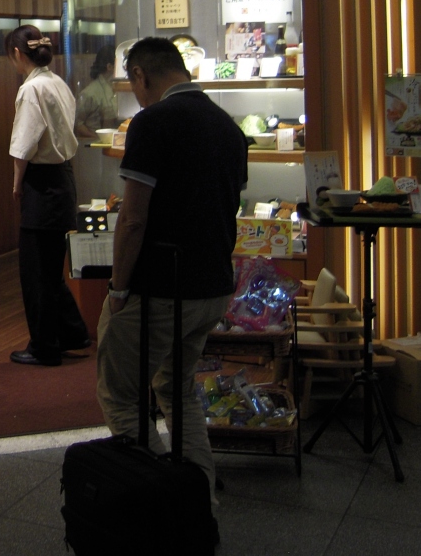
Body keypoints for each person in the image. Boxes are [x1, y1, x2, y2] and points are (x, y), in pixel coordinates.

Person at [96, 36, 248, 504]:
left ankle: (162, 507)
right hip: (213, 287)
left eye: (133, 84)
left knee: (122, 395)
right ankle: (200, 505)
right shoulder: (227, 127)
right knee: (177, 391)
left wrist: (118, 289)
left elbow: (133, 219)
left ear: (140, 75)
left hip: (160, 289)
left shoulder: (153, 122)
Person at [5, 24, 91, 367]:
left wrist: (17, 184)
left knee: (36, 271)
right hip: (64, 178)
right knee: (52, 267)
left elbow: (23, 146)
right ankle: (72, 333)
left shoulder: (31, 89)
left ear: (17, 54)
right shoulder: (57, 83)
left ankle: (44, 346)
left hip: (41, 183)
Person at [74, 45, 119, 138]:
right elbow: (77, 123)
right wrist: (96, 137)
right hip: (93, 144)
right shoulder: (89, 93)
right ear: (109, 67)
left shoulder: (116, 88)